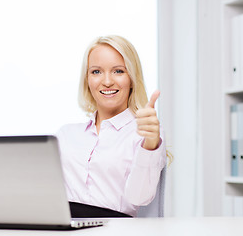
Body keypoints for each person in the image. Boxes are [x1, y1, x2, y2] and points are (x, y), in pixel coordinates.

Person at [56, 35, 167, 218]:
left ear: (132, 78)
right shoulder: (65, 135)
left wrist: (150, 145)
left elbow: (139, 197)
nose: (107, 81)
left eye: (118, 71)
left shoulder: (145, 134)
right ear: (87, 79)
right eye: (96, 72)